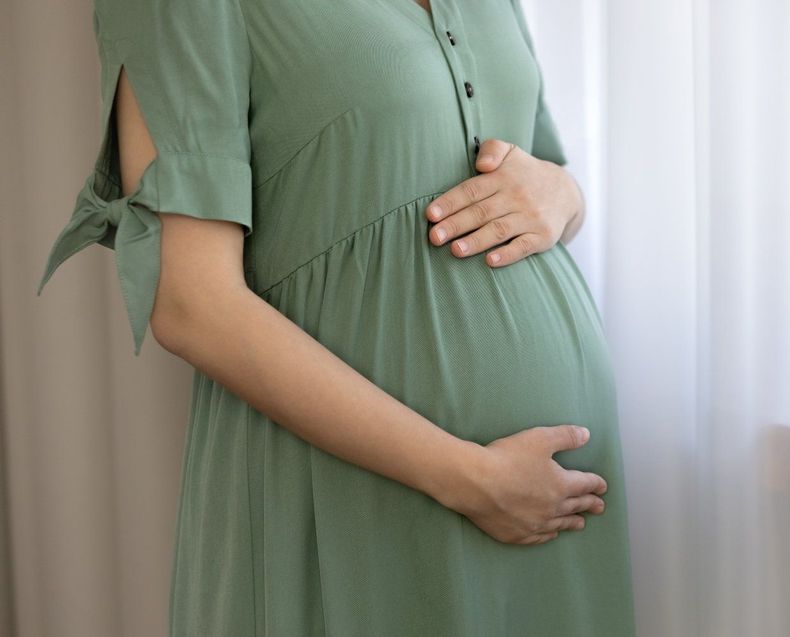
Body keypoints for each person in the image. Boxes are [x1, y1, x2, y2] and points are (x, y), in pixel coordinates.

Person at [36, 0, 637, 634]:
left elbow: (541, 177)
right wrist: (469, 478)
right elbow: (193, 306)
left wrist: (565, 195)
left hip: (556, 499)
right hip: (372, 488)